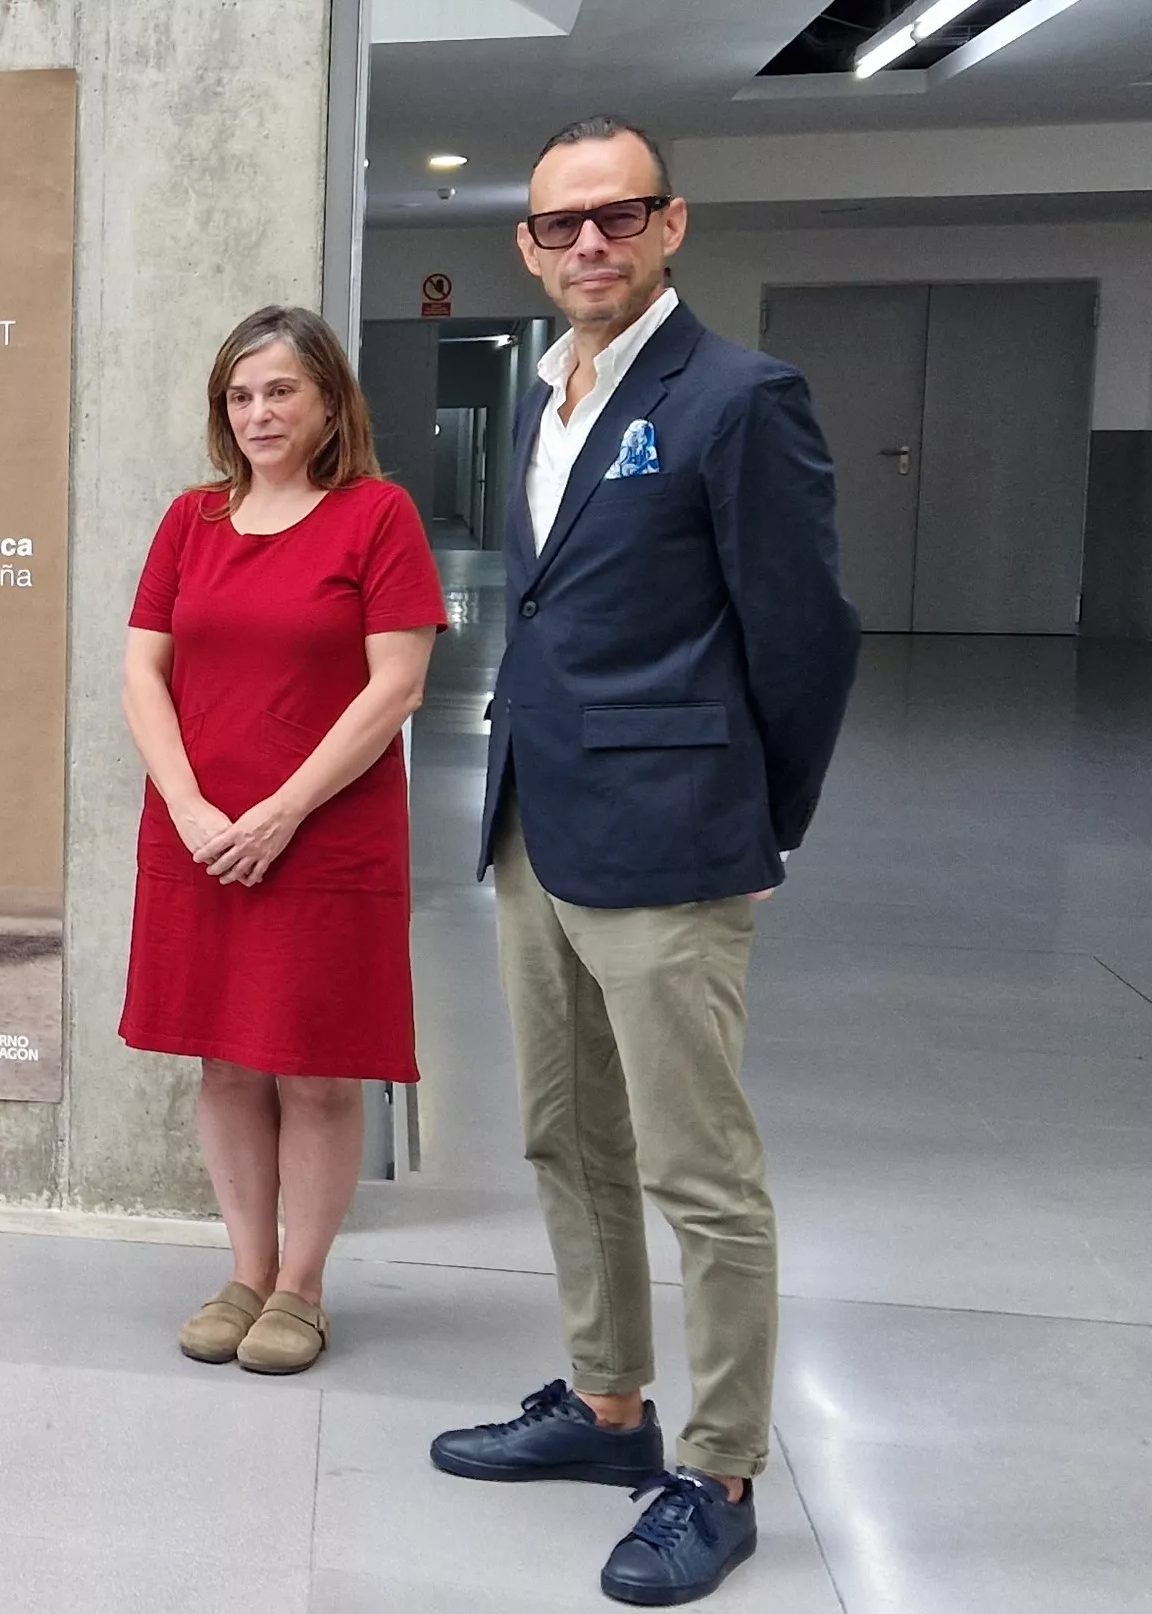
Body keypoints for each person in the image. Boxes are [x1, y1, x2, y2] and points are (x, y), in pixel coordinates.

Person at [426, 116, 861, 1607]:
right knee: (562, 1135)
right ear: (527, 246)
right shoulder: (545, 393)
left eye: (617, 217)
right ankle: (606, 1406)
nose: (588, 245)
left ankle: (721, 1466)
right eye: (559, 225)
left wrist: (761, 825)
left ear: (670, 225)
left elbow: (802, 636)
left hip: (672, 838)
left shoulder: (737, 397)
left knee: (697, 1171)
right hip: (535, 825)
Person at [121, 305, 445, 1377]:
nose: (257, 413)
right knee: (223, 1062)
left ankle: (302, 1288)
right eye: (239, 395)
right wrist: (190, 806)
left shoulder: (375, 516)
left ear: (326, 402)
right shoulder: (190, 523)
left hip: (321, 833)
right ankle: (246, 1272)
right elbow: (143, 673)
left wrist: (281, 811)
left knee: (312, 1071)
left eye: (279, 392)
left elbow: (395, 685)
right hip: (203, 835)